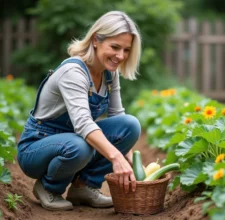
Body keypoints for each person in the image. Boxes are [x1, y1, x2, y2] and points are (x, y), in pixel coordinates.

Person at [17, 11, 142, 211]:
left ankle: (84, 186)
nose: (120, 56)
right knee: (80, 146)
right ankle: (48, 187)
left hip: (72, 140)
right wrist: (115, 157)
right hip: (36, 148)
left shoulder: (110, 73)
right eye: (115, 47)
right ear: (95, 40)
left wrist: (128, 154)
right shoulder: (74, 73)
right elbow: (83, 124)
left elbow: (118, 116)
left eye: (126, 50)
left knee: (130, 125)